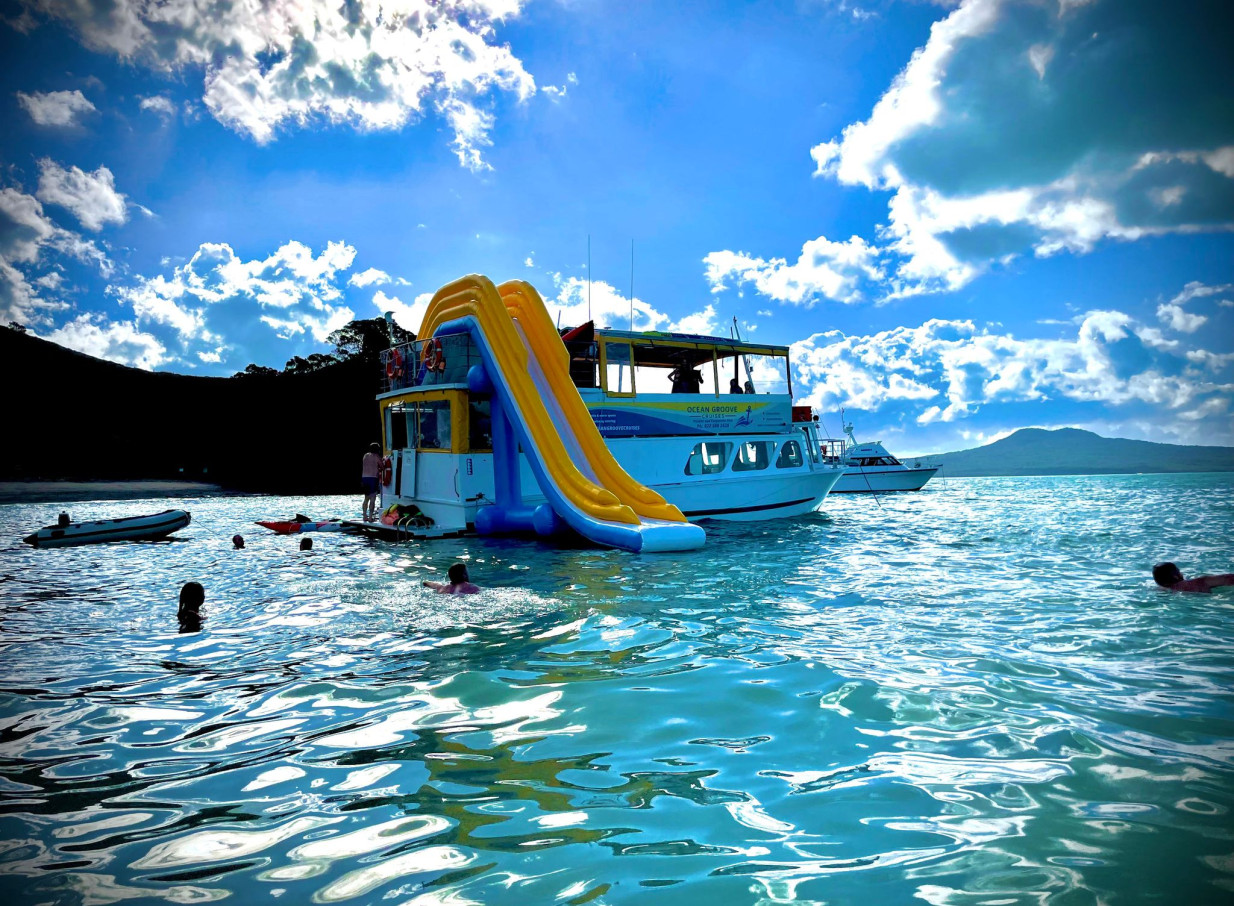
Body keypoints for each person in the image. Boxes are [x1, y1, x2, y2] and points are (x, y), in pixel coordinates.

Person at [1152, 562, 1234, 593]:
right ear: (1175, 576)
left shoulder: (1160, 590)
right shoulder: (1197, 582)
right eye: (1179, 571)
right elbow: (1226, 578)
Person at [361, 442, 382, 521]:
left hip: (364, 478)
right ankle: (370, 517)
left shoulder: (365, 455)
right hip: (373, 478)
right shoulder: (377, 457)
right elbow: (382, 467)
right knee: (373, 498)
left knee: (366, 498)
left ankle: (364, 516)